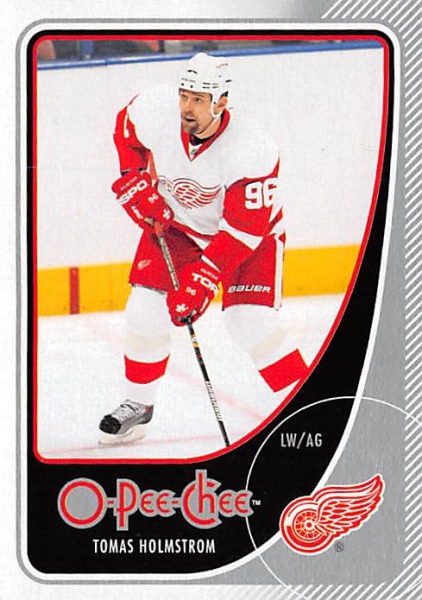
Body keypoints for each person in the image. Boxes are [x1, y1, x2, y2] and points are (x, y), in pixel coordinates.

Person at [99, 52, 308, 445]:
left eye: (198, 99)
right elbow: (126, 131)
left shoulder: (252, 148)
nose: (187, 107)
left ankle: (308, 404)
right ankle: (138, 404)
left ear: (221, 102)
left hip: (250, 238)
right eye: (184, 96)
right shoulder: (156, 108)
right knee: (144, 308)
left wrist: (203, 280)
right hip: (179, 228)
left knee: (249, 321)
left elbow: (243, 231)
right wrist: (133, 177)